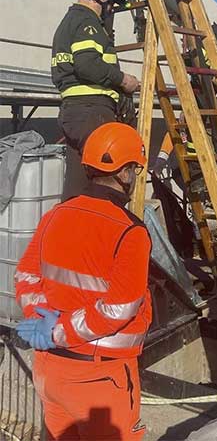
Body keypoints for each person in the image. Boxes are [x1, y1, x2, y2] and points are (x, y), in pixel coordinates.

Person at [14, 122, 152, 440]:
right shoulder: (131, 232)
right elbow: (119, 309)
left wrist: (44, 322)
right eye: (134, 169)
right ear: (125, 173)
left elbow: (25, 276)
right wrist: (63, 331)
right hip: (100, 377)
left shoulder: (55, 215)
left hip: (50, 370)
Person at [52, 0, 141, 201]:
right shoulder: (87, 23)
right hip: (93, 111)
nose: (110, 8)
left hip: (76, 112)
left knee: (78, 186)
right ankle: (101, 233)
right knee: (106, 186)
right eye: (110, 0)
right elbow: (87, 65)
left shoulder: (71, 21)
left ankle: (69, 232)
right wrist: (124, 81)